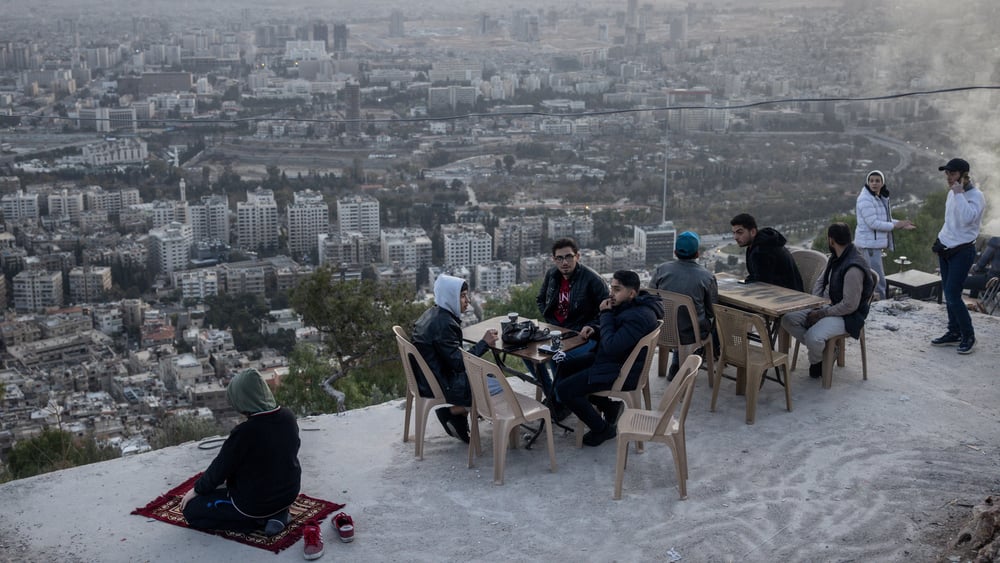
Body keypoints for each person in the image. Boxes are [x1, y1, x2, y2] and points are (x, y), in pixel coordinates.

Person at [180, 369, 301, 536]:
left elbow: (220, 469)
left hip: (254, 504)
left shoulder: (244, 432)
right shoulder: (288, 417)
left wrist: (197, 490)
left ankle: (257, 522)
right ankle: (279, 513)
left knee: (191, 511)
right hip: (288, 493)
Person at [553, 270, 663, 447]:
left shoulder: (638, 317)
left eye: (617, 289)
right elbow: (619, 337)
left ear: (632, 293)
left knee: (565, 390)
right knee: (565, 367)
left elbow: (612, 346)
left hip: (621, 371)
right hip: (615, 361)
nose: (611, 293)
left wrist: (605, 314)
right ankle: (609, 406)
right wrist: (595, 330)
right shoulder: (631, 307)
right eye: (611, 288)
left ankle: (602, 429)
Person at [412, 274, 500, 443]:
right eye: (462, 295)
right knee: (497, 385)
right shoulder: (444, 324)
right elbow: (460, 364)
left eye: (467, 294)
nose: (467, 300)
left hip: (427, 379)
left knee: (487, 377)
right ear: (449, 296)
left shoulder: (433, 314)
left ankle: (459, 415)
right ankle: (454, 411)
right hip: (442, 383)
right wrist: (484, 343)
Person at [781, 223, 875, 379]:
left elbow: (850, 305)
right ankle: (827, 352)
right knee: (788, 319)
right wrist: (815, 305)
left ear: (831, 240)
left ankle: (817, 361)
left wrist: (821, 314)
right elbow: (820, 282)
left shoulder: (853, 268)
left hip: (847, 316)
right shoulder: (836, 258)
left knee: (813, 337)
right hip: (828, 306)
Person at [532, 237, 609, 403]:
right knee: (528, 354)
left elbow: (608, 311)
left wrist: (592, 326)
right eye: (559, 258)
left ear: (577, 256)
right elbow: (541, 299)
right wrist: (551, 321)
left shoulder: (593, 280)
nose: (564, 262)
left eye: (568, 257)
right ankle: (553, 395)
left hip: (583, 336)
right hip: (558, 332)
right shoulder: (552, 274)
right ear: (554, 259)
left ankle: (559, 399)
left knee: (555, 355)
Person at [931, 158, 985, 355]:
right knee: (948, 292)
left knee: (954, 294)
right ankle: (953, 332)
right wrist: (941, 238)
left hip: (962, 251)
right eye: (947, 173)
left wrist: (959, 193)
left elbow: (968, 218)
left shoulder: (976, 196)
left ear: (964, 175)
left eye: (952, 173)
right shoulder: (952, 193)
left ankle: (968, 335)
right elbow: (950, 220)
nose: (948, 177)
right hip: (946, 247)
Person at [652, 230, 718, 381]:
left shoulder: (661, 270)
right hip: (690, 334)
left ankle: (677, 361)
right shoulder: (706, 277)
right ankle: (695, 357)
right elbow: (712, 309)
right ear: (697, 254)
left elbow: (651, 297)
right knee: (712, 323)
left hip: (662, 329)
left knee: (679, 319)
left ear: (675, 252)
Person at [854, 170, 916, 300]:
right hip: (868, 245)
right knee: (877, 280)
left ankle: (872, 304)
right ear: (867, 182)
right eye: (871, 181)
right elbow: (873, 223)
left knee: (873, 278)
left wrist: (901, 224)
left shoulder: (879, 198)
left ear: (882, 183)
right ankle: (880, 306)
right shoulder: (865, 199)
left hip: (872, 244)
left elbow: (885, 220)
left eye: (877, 181)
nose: (874, 183)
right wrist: (895, 225)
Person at [730, 213, 804, 291]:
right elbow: (757, 278)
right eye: (734, 233)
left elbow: (763, 285)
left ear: (753, 232)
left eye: (740, 232)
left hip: (787, 297)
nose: (735, 237)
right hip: (785, 293)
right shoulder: (757, 245)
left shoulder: (762, 251)